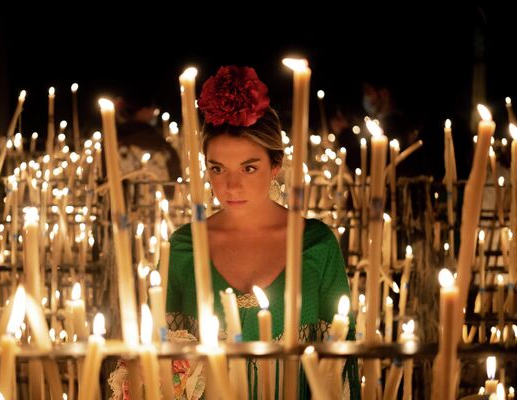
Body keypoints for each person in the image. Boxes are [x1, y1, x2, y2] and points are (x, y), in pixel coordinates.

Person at [165, 65, 360, 399]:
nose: (231, 185)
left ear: (275, 167)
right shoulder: (185, 247)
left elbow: (342, 366)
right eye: (217, 169)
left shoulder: (314, 244)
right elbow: (163, 362)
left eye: (249, 167)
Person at [116, 92, 182, 182]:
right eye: (152, 108)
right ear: (143, 110)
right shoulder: (154, 140)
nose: (154, 112)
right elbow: (174, 173)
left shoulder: (115, 140)